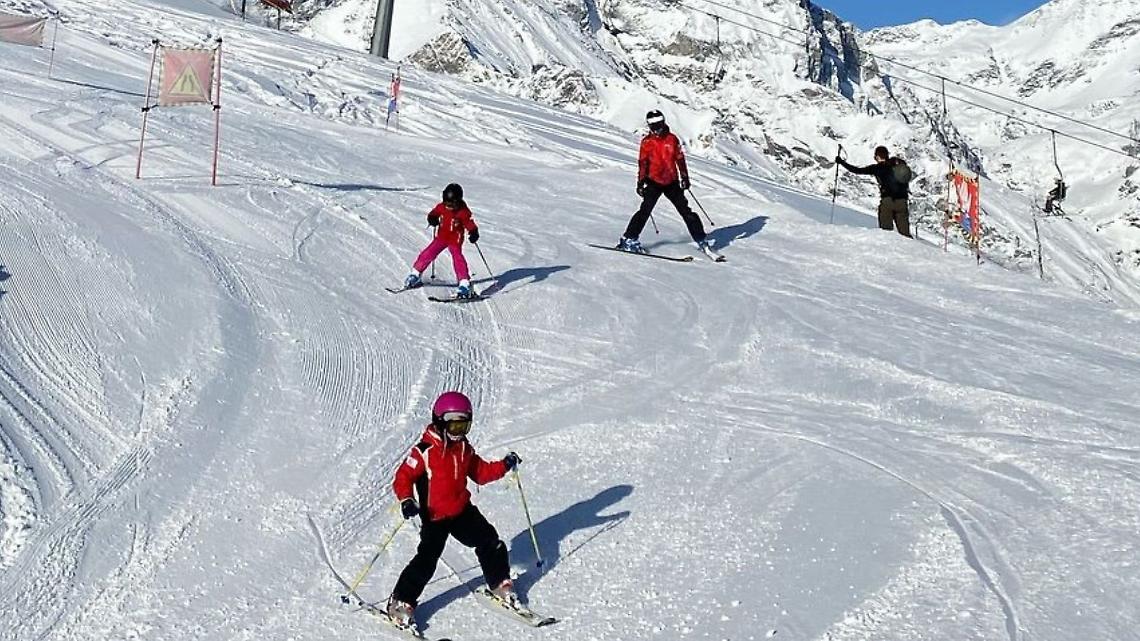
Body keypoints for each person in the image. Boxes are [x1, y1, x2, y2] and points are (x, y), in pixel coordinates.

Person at [386, 391, 522, 631]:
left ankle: (499, 582)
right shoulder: (424, 451)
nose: (459, 433)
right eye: (455, 426)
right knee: (427, 560)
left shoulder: (463, 448)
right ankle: (401, 602)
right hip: (434, 516)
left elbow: (480, 472)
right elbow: (403, 477)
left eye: (464, 426)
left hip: (461, 511)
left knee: (490, 541)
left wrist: (504, 465)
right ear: (440, 421)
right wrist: (407, 499)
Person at [619, 110, 717, 257]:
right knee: (645, 211)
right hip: (653, 181)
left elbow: (679, 158)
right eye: (652, 126)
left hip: (671, 182)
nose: (656, 129)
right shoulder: (647, 142)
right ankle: (629, 239)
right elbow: (643, 163)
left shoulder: (672, 139)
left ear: (663, 123)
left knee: (686, 212)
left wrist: (685, 177)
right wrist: (641, 182)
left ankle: (701, 240)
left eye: (658, 124)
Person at [404, 184, 481, 298]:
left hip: (455, 239)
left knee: (457, 258)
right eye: (446, 203)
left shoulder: (463, 211)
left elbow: (469, 222)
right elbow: (434, 212)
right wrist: (432, 218)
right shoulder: (442, 207)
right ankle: (415, 274)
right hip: (442, 236)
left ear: (458, 202)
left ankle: (464, 283)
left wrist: (473, 231)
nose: (448, 206)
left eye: (451, 204)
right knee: (429, 252)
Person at [837, 146, 913, 238]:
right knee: (905, 234)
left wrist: (841, 162)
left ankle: (888, 250)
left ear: (877, 157)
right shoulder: (897, 164)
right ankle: (909, 251)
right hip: (902, 202)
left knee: (886, 233)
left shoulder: (877, 168)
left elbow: (857, 170)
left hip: (887, 202)